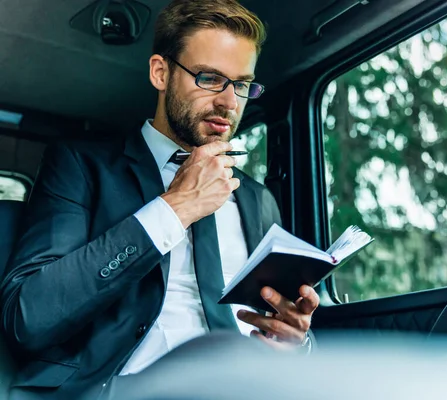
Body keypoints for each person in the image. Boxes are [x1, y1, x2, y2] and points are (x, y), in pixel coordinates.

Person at [0, 0, 319, 398]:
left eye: (241, 85)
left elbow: (279, 320)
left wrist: (296, 344)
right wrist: (175, 208)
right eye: (209, 78)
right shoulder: (82, 167)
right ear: (160, 72)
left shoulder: (257, 198)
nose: (230, 103)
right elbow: (28, 317)